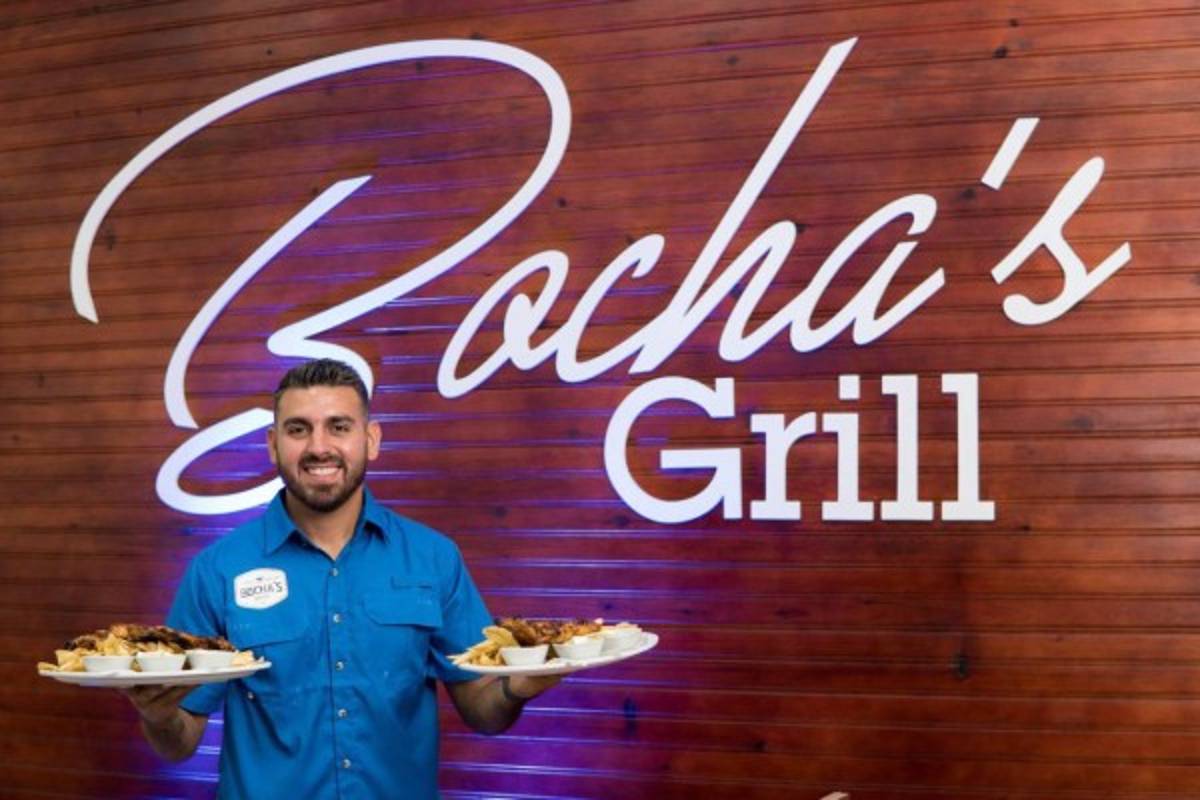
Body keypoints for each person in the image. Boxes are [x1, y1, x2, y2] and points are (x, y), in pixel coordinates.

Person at [123, 358, 559, 798]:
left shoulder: (433, 558)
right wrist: (158, 718)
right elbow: (180, 740)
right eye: (298, 429)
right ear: (273, 445)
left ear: (370, 440)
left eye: (339, 427)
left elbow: (482, 709)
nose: (319, 447)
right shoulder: (217, 569)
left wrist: (515, 690)